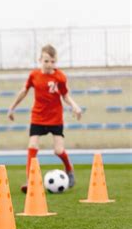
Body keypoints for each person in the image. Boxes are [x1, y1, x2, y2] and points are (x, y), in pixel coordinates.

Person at [7, 44, 82, 193]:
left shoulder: (60, 77)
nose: (49, 64)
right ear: (40, 59)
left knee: (58, 150)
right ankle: (30, 180)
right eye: (46, 61)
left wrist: (75, 106)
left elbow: (65, 95)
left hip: (55, 118)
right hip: (38, 117)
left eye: (52, 61)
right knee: (32, 146)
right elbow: (24, 91)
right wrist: (12, 107)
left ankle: (69, 169)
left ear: (56, 62)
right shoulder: (34, 75)